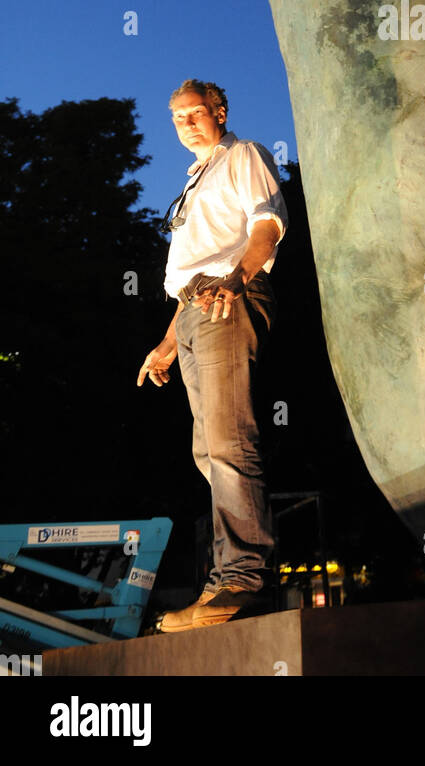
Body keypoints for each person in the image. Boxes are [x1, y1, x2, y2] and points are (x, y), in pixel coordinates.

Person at [137, 79, 288, 632]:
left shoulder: (242, 155)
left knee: (229, 439)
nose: (186, 123)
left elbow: (266, 227)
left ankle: (245, 580)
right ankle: (222, 582)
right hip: (196, 307)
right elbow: (189, 280)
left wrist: (237, 281)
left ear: (219, 112)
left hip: (230, 297)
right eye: (176, 117)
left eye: (195, 113)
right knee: (207, 449)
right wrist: (167, 344)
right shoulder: (193, 180)